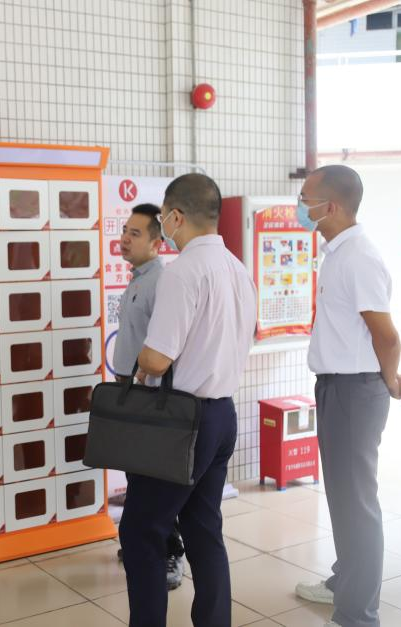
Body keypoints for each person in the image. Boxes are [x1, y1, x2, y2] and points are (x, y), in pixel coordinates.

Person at [293, 165, 401, 627]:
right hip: (338, 386)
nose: (300, 206)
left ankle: (357, 615)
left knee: (357, 504)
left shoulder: (359, 258)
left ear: (330, 206)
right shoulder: (337, 253)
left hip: (355, 393)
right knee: (342, 497)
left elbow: (386, 337)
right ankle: (344, 583)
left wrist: (391, 382)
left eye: (306, 198)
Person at [120, 173, 257, 627]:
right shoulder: (237, 269)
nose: (164, 225)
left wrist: (143, 359)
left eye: (163, 217)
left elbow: (157, 359)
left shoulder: (183, 272)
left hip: (183, 422)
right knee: (204, 529)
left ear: (176, 216)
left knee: (141, 530)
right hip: (222, 415)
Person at [111, 202, 185, 591]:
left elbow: (166, 347)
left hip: (151, 395)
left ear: (157, 243)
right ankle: (141, 543)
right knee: (137, 476)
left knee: (154, 481)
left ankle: (171, 551)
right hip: (130, 391)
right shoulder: (138, 279)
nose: (124, 238)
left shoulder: (161, 282)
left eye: (135, 233)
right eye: (125, 230)